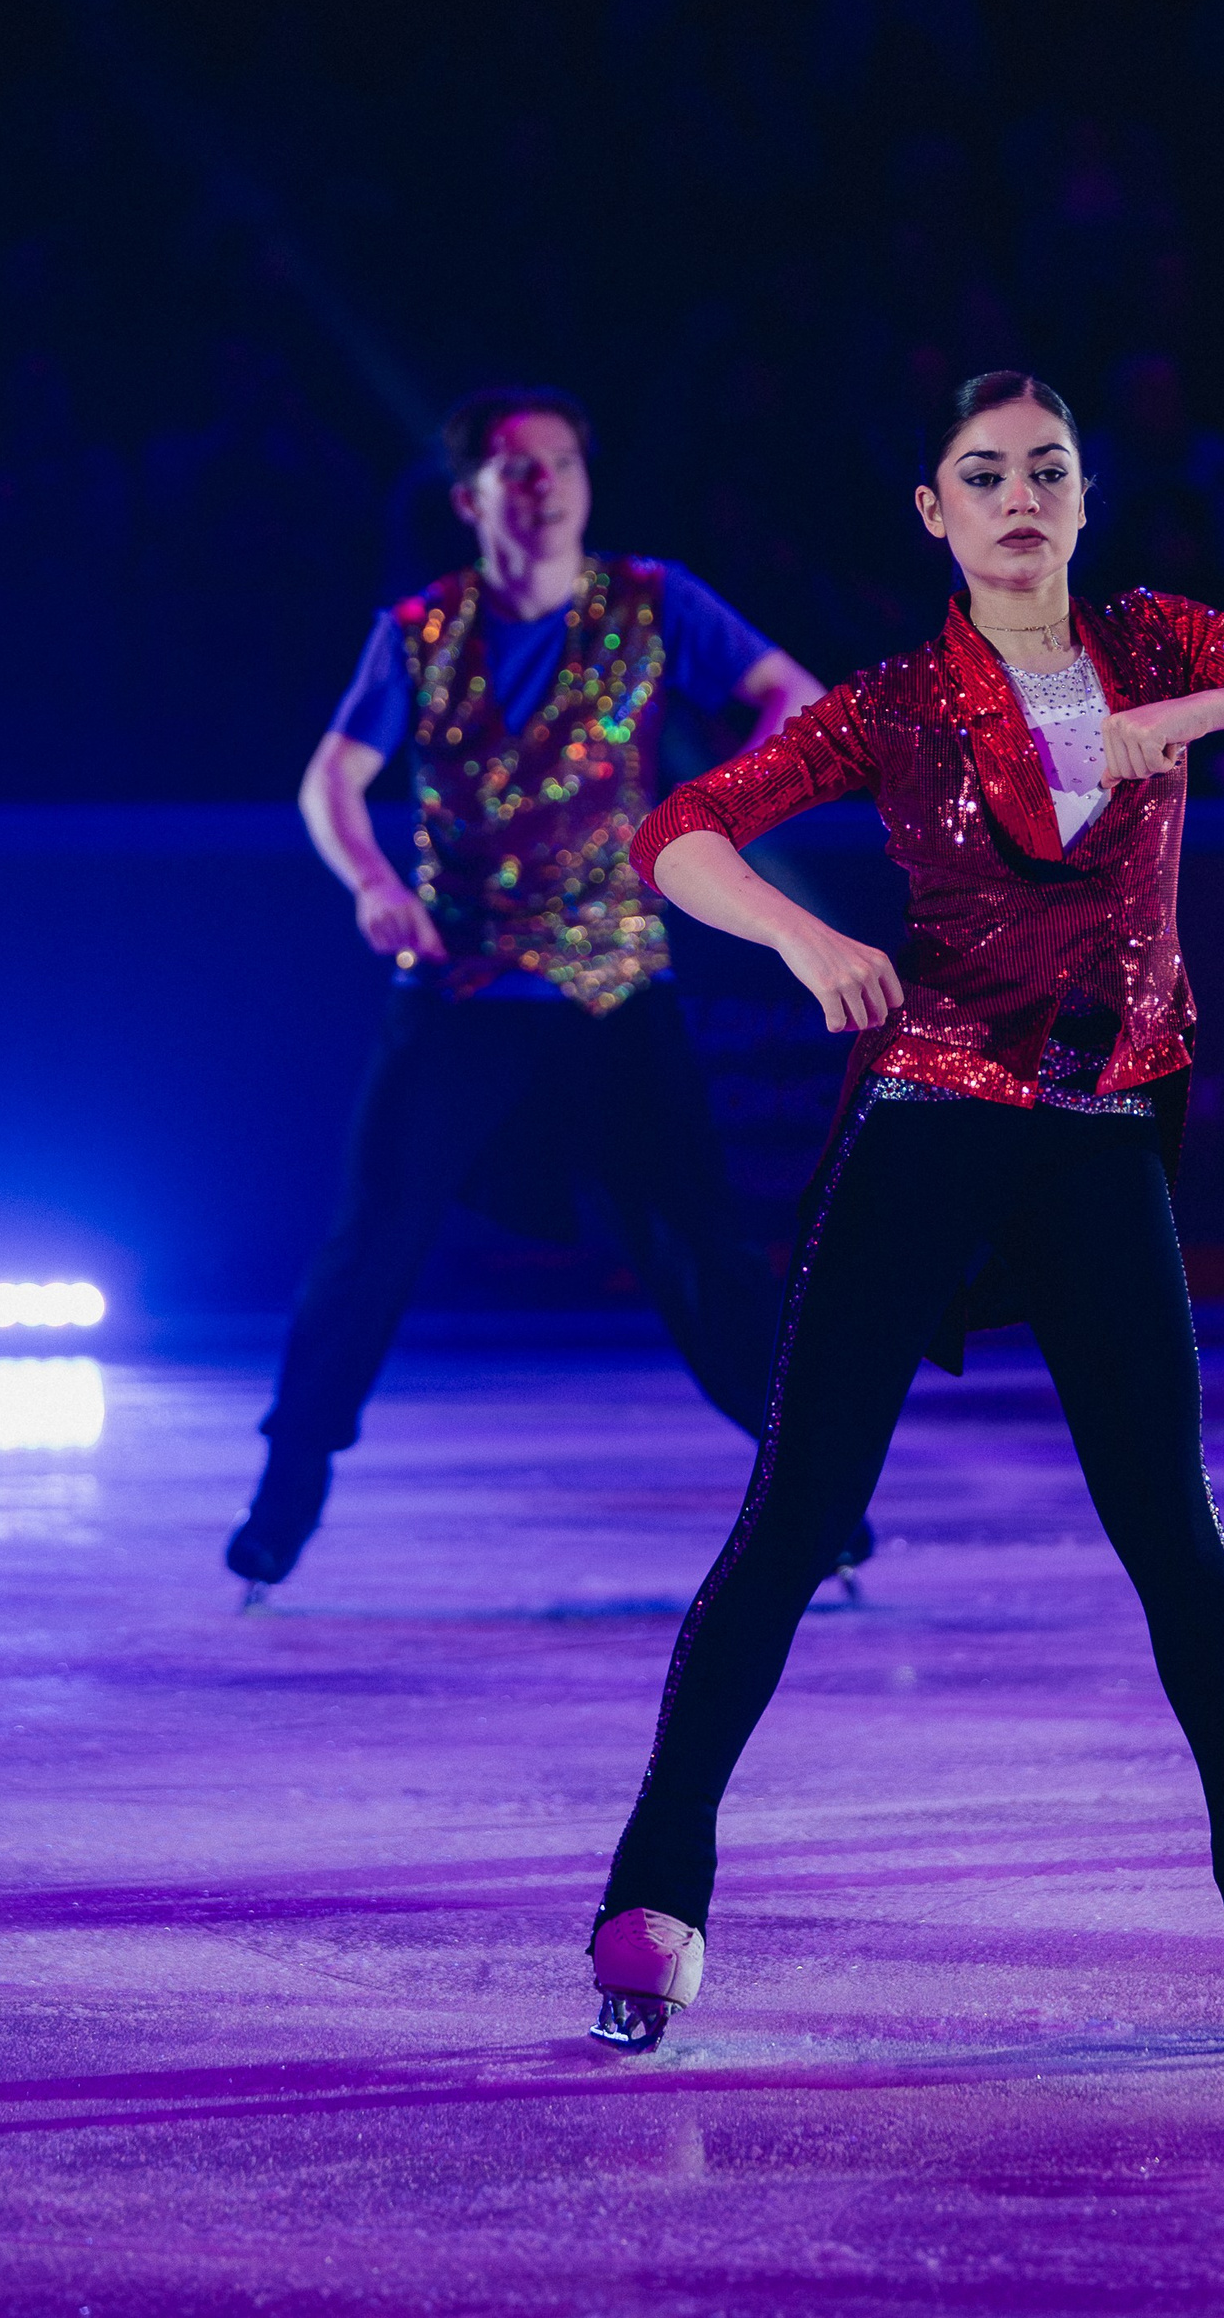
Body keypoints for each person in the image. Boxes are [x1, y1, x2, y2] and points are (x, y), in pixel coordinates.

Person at [585, 368, 1224, 2052]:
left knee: (1172, 1531)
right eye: (985, 474)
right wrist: (805, 939)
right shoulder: (897, 705)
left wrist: (1194, 717)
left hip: (1100, 1143)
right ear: (934, 511)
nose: (1021, 496)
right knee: (798, 1515)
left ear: (1086, 496)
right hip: (928, 1128)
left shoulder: (1159, 645)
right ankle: (654, 1890)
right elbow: (680, 829)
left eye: (1049, 469)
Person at [225, 386, 844, 1594]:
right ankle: (285, 1492)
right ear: (470, 500)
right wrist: (372, 883)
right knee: (370, 1239)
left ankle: (819, 1497)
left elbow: (798, 696)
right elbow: (329, 782)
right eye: (518, 469)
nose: (546, 486)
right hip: (460, 988)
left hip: (616, 988)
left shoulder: (655, 601)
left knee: (702, 1256)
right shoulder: (418, 631)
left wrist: (712, 804)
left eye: (563, 463)